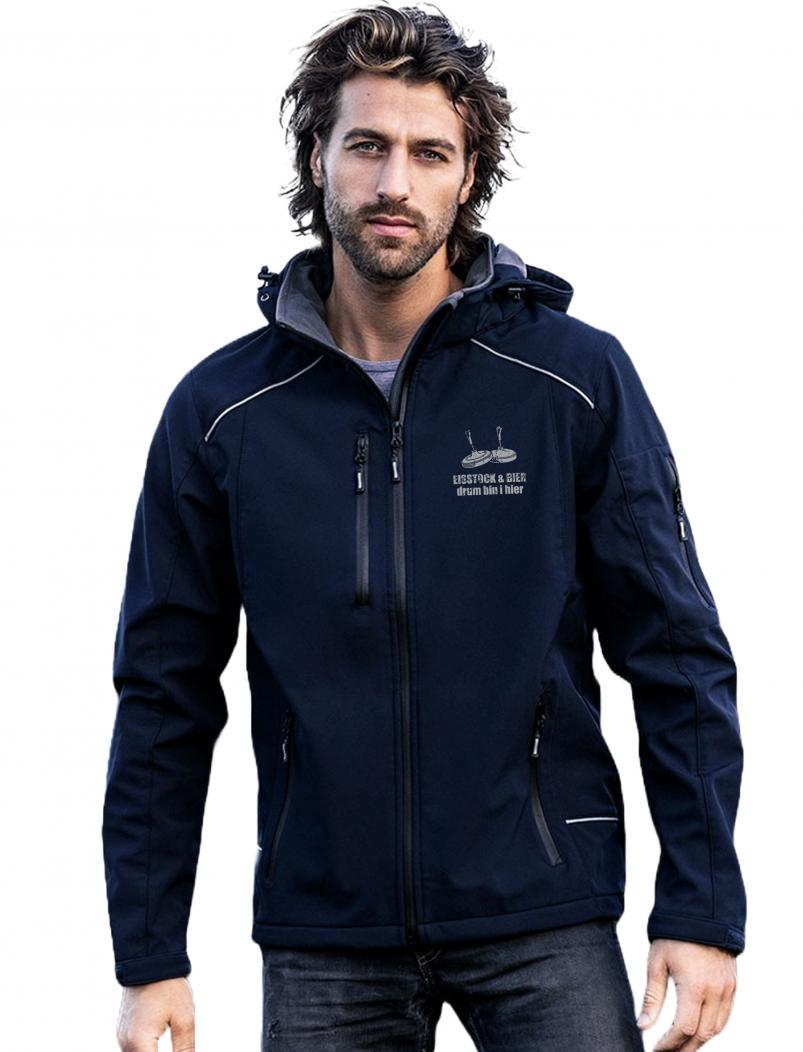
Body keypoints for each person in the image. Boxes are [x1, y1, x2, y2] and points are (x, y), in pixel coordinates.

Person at [102, 5, 745, 1050]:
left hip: (542, 910)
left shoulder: (570, 380)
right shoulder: (223, 413)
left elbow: (677, 653)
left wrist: (701, 907)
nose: (393, 182)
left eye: (428, 152)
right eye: (366, 145)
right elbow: (162, 692)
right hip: (325, 929)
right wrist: (149, 955)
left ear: (468, 172)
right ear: (316, 158)